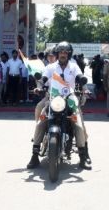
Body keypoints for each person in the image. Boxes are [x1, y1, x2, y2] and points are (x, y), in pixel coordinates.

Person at [27, 41, 91, 170]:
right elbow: (43, 79)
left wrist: (85, 88)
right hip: (53, 98)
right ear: (57, 53)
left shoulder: (73, 67)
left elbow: (80, 77)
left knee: (78, 125)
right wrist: (39, 87)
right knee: (41, 122)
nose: (63, 54)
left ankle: (83, 157)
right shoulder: (51, 67)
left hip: (70, 98)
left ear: (69, 54)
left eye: (65, 52)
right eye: (61, 52)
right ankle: (34, 156)